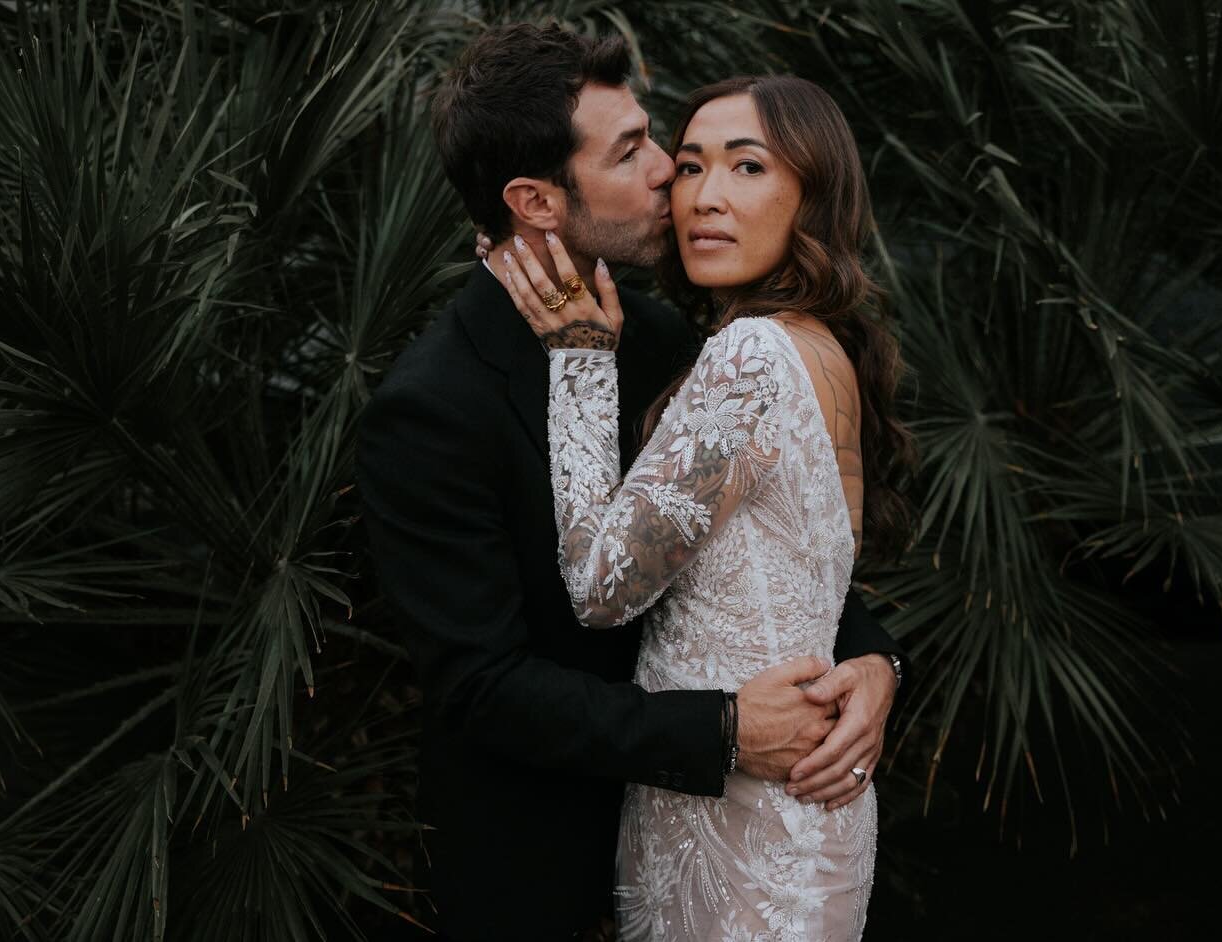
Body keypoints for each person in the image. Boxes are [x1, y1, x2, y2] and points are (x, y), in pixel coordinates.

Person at [356, 24, 908, 941]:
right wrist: (723, 732)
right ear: (536, 199)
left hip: (736, 844)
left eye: (662, 143)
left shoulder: (663, 339)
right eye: (637, 152)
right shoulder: (430, 409)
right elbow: (484, 689)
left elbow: (776, 536)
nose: (669, 174)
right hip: (546, 873)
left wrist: (876, 664)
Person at [499, 73, 917, 940]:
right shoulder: (804, 342)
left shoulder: (755, 356)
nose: (707, 197)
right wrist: (880, 663)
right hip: (750, 808)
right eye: (688, 167)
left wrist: (579, 362)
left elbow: (602, 588)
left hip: (754, 823)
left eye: (749, 167)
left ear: (816, 195)